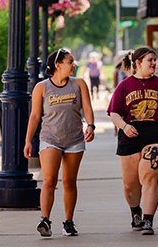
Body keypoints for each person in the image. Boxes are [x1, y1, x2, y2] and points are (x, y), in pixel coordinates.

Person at [107, 47, 158, 235]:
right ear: (138, 63)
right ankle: (136, 212)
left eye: (155, 59)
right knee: (130, 184)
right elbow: (114, 113)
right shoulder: (124, 86)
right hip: (131, 133)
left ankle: (148, 220)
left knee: (148, 176)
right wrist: (124, 126)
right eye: (150, 60)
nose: (154, 63)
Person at [24, 48, 95, 237]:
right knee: (49, 180)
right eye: (70, 61)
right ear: (58, 65)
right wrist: (28, 140)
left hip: (74, 139)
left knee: (70, 182)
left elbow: (87, 107)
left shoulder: (79, 84)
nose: (74, 65)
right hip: (50, 138)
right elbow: (35, 115)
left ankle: (68, 222)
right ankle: (45, 220)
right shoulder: (42, 87)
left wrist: (91, 126)